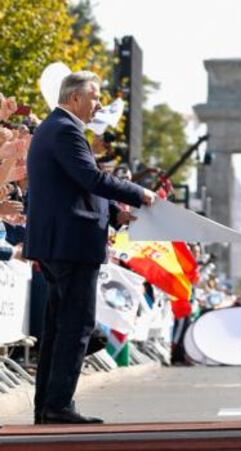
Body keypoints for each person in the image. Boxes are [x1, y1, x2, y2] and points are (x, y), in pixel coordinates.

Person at [24, 71, 156, 425]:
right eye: (94, 97)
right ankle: (58, 405)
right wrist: (139, 194)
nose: (98, 104)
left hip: (61, 243)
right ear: (74, 98)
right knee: (76, 324)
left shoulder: (55, 129)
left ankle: (48, 405)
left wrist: (116, 214)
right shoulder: (65, 130)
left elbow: (77, 185)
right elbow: (90, 178)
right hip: (71, 243)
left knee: (57, 326)